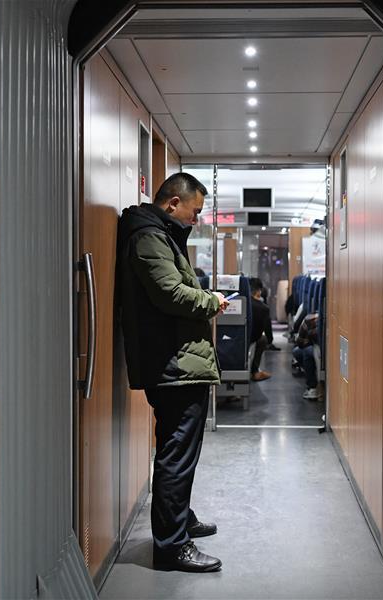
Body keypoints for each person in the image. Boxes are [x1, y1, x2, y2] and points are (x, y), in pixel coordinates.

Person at [116, 172, 229, 573]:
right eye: (195, 212)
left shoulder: (160, 234)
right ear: (173, 203)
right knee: (176, 455)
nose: (196, 220)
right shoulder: (149, 237)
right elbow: (169, 293)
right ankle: (171, 547)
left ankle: (180, 521)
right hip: (173, 364)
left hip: (178, 362)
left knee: (179, 452)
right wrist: (210, 301)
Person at [248, 278, 272, 381]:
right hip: (250, 339)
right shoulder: (263, 308)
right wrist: (270, 340)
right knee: (263, 340)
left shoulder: (233, 302)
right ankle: (255, 371)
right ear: (259, 291)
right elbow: (267, 332)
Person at [293, 313, 321, 399]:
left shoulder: (310, 319)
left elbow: (299, 341)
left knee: (306, 351)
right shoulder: (311, 320)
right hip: (317, 347)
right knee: (297, 352)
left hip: (318, 348)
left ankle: (312, 386)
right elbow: (300, 342)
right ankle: (310, 375)